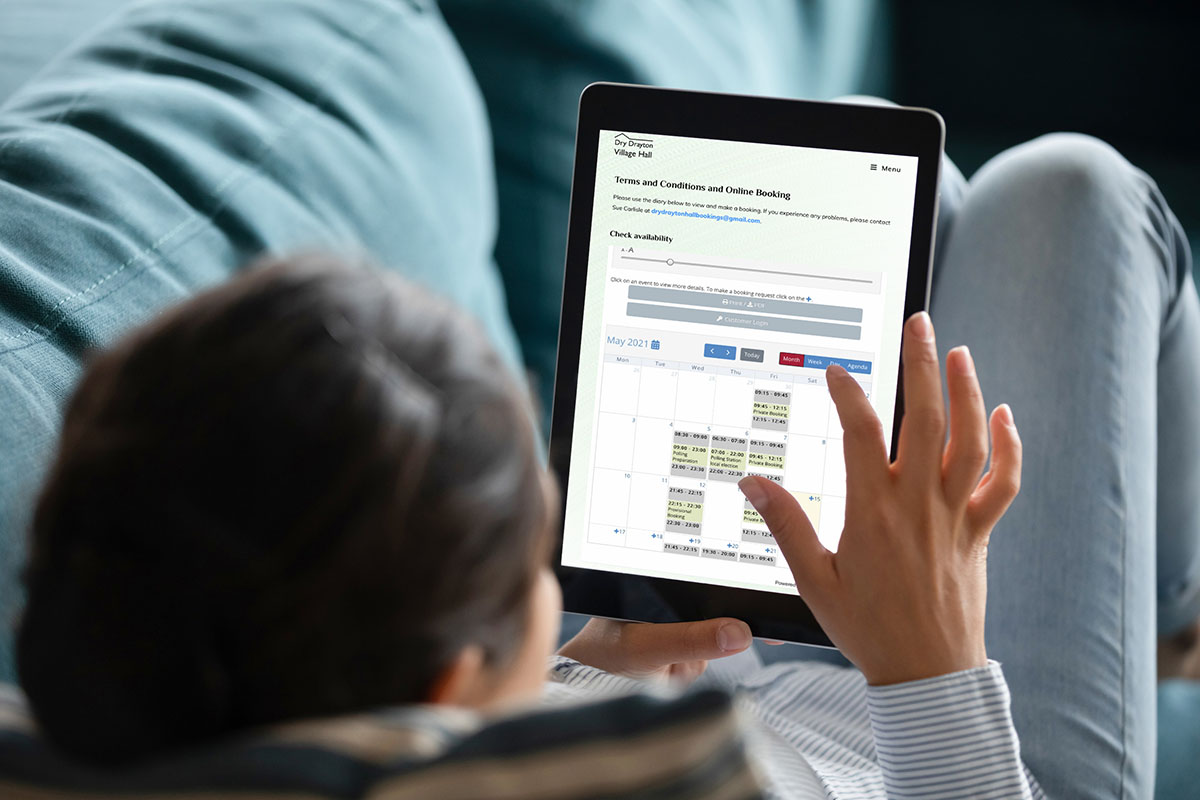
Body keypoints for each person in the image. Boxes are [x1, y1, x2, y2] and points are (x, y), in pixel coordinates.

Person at [16, 120, 1198, 797]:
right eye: (536, 568)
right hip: (949, 740)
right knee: (1073, 188)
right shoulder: (672, 774)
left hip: (772, 667)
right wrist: (932, 665)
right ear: (446, 689)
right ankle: (1178, 610)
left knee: (904, 199)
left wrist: (575, 662)